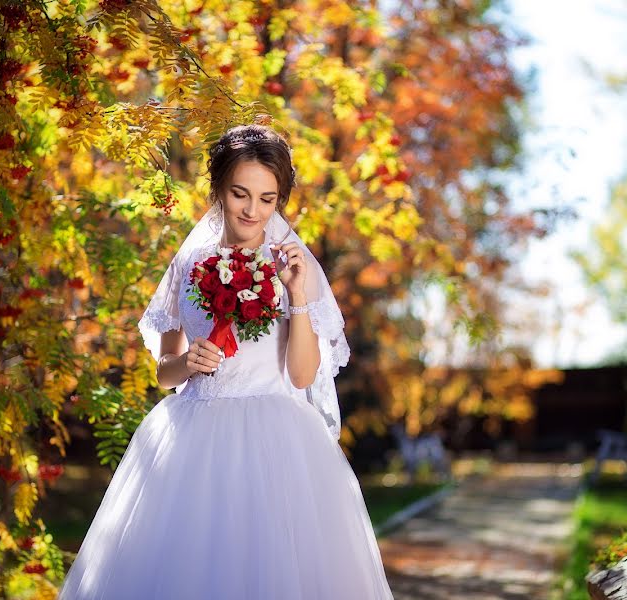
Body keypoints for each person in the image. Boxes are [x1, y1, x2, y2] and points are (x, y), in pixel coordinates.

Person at [58, 124, 394, 599]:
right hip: (190, 436)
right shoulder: (190, 262)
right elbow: (164, 371)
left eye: (267, 199)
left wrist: (295, 292)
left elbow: (301, 375)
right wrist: (189, 362)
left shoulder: (295, 266)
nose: (252, 210)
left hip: (276, 441)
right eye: (240, 194)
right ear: (219, 189)